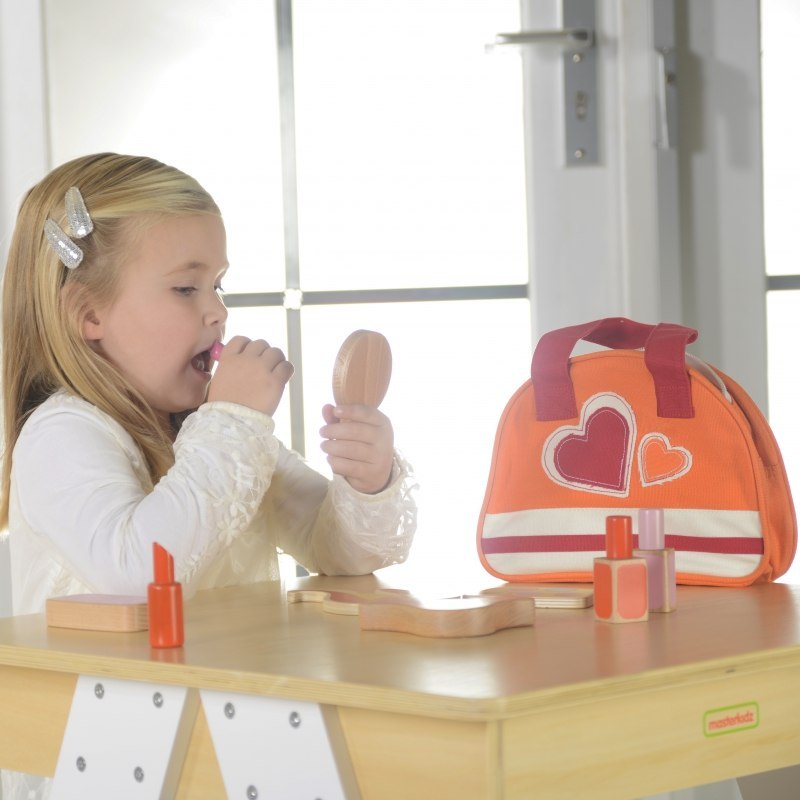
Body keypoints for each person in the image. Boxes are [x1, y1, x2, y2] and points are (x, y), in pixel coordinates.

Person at [0, 153, 416, 797]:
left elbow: (340, 550)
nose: (218, 312)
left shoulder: (214, 435)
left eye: (220, 285)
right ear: (89, 315)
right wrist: (233, 420)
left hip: (232, 738)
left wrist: (367, 480)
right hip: (108, 760)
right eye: (186, 289)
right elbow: (141, 573)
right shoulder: (63, 435)